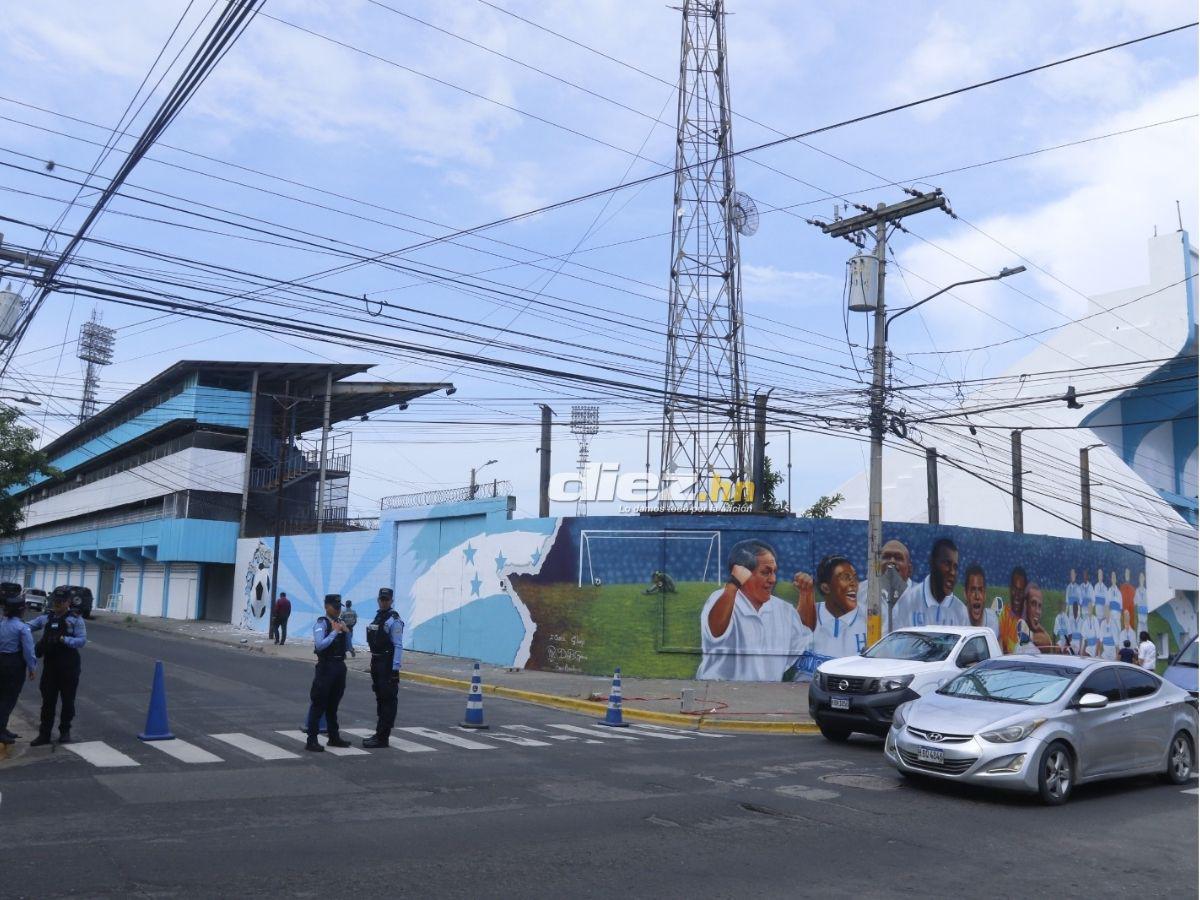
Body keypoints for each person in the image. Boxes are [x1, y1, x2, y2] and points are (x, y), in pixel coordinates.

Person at [697, 539, 812, 682]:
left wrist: (806, 594)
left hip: (765, 698)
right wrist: (733, 584)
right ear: (742, 573)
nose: (773, 579)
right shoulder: (721, 599)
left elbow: (805, 635)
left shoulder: (784, 609)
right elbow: (716, 630)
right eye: (765, 572)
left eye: (774, 572)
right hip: (721, 694)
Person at [27, 585, 87, 745]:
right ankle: (44, 734)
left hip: (69, 665)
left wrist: (64, 640)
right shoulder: (46, 617)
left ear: (68, 602)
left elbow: (82, 641)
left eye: (61, 601)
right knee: (48, 701)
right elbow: (28, 627)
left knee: (68, 701)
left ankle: (65, 731)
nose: (57, 604)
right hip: (51, 666)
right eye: (55, 601)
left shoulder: (75, 619)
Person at [791, 555, 866, 677]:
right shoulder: (810, 612)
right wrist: (805, 594)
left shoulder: (870, 620)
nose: (854, 583)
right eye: (846, 578)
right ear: (826, 588)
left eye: (855, 578)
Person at [305, 594, 351, 752]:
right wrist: (334, 632)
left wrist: (346, 632)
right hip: (326, 667)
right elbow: (319, 645)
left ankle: (333, 737)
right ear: (326, 606)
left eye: (339, 607)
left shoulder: (340, 622)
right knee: (319, 704)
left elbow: (346, 646)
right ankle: (311, 739)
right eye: (334, 606)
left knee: (333, 705)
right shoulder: (322, 623)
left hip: (339, 666)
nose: (337, 609)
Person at [362, 587, 404, 749]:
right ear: (378, 600)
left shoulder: (394, 620)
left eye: (387, 599)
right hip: (377, 661)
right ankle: (379, 732)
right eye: (382, 599)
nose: (384, 602)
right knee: (380, 698)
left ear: (391, 601)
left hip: (387, 663)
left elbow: (398, 645)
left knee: (387, 699)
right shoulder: (379, 616)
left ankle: (383, 737)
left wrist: (394, 669)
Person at [892, 538, 967, 628]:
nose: (952, 572)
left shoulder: (961, 612)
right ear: (932, 563)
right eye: (947, 564)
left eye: (955, 567)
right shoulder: (905, 603)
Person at [0, 585, 37, 744]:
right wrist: (32, 668)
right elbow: (29, 651)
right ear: (20, 610)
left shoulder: (2, 623)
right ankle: (1, 731)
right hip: (13, 663)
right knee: (9, 698)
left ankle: (3, 728)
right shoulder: (22, 627)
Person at [880, 539, 914, 631]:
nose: (892, 561)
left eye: (898, 558)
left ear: (909, 569)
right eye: (886, 557)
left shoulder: (920, 597)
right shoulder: (864, 595)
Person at [998, 567, 1029, 654]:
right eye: (1014, 589)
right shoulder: (1004, 614)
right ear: (1010, 589)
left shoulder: (1030, 618)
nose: (1017, 595)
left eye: (1020, 590)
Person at [964, 563, 1000, 638]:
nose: (977, 596)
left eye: (980, 590)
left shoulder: (993, 621)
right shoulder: (957, 620)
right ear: (966, 594)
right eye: (973, 590)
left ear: (985, 594)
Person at [1024, 584, 1054, 652]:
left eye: (1040, 606)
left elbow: (1048, 643)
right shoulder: (1014, 627)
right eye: (1033, 604)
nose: (1037, 611)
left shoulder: (1041, 634)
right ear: (1025, 605)